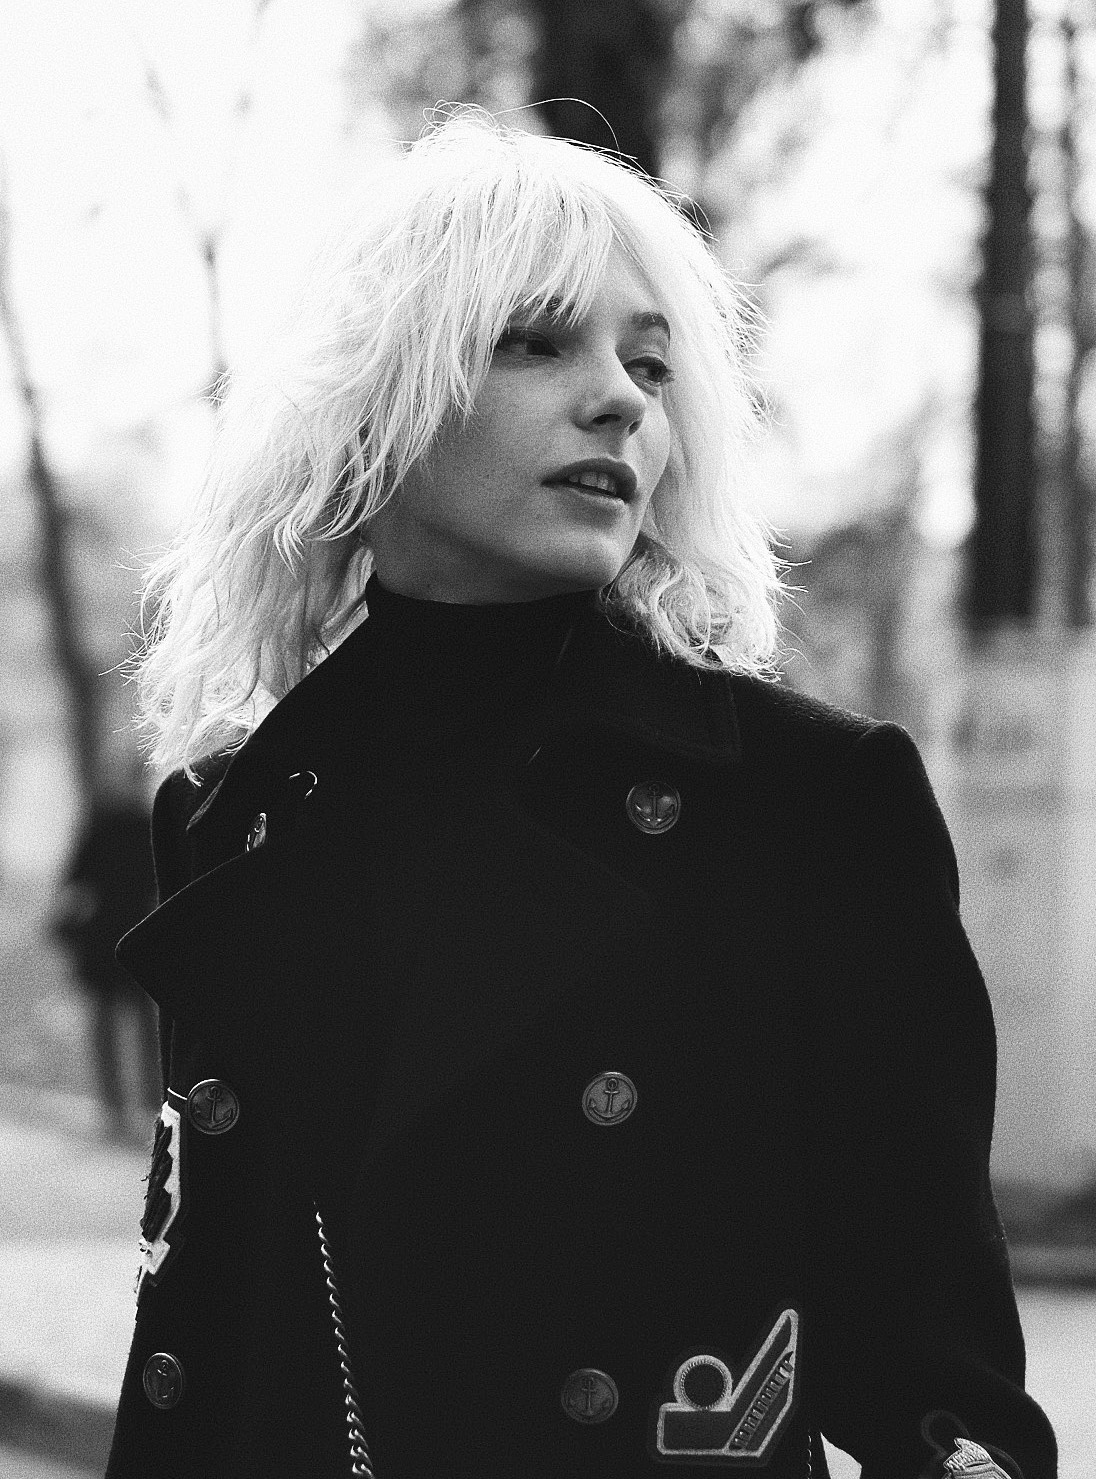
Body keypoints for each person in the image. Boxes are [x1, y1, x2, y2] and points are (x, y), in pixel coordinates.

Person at [106, 113, 1056, 1479]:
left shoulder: (805, 804)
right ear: (372, 398)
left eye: (650, 364)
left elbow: (934, 1379)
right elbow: (223, 1338)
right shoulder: (233, 817)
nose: (620, 400)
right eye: (535, 342)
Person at [52, 782, 162, 1140]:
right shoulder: (149, 821)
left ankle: (116, 1109)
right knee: (146, 1027)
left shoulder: (99, 825)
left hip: (104, 937)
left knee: (108, 1027)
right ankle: (150, 1105)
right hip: (141, 934)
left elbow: (74, 877)